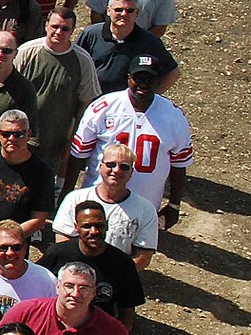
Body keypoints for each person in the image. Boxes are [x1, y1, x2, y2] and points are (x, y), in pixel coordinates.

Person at [66, 58, 190, 220]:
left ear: (159, 80)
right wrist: (67, 194)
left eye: (150, 79)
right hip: (99, 203)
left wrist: (174, 204)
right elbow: (78, 156)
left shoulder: (174, 116)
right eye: (138, 78)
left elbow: (179, 165)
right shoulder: (104, 107)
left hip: (145, 207)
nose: (143, 84)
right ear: (128, 78)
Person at [14, 8, 101, 173]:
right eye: (54, 26)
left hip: (57, 140)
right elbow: (9, 92)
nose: (58, 32)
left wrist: (73, 140)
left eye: (65, 28)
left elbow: (86, 103)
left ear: (73, 31)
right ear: (46, 25)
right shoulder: (26, 52)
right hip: (22, 137)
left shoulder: (82, 60)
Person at [40, 200, 145, 329]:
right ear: (76, 227)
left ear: (106, 226)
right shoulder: (57, 254)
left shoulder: (122, 263)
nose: (94, 231)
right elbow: (36, 287)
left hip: (98, 333)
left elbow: (127, 312)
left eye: (99, 226)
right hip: (56, 326)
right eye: (87, 226)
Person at [51, 141, 155, 263]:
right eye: (111, 164)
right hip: (77, 272)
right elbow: (63, 240)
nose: (116, 170)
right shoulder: (74, 199)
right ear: (100, 167)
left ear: (131, 172)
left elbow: (143, 256)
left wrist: (114, 273)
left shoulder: (146, 209)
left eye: (124, 167)